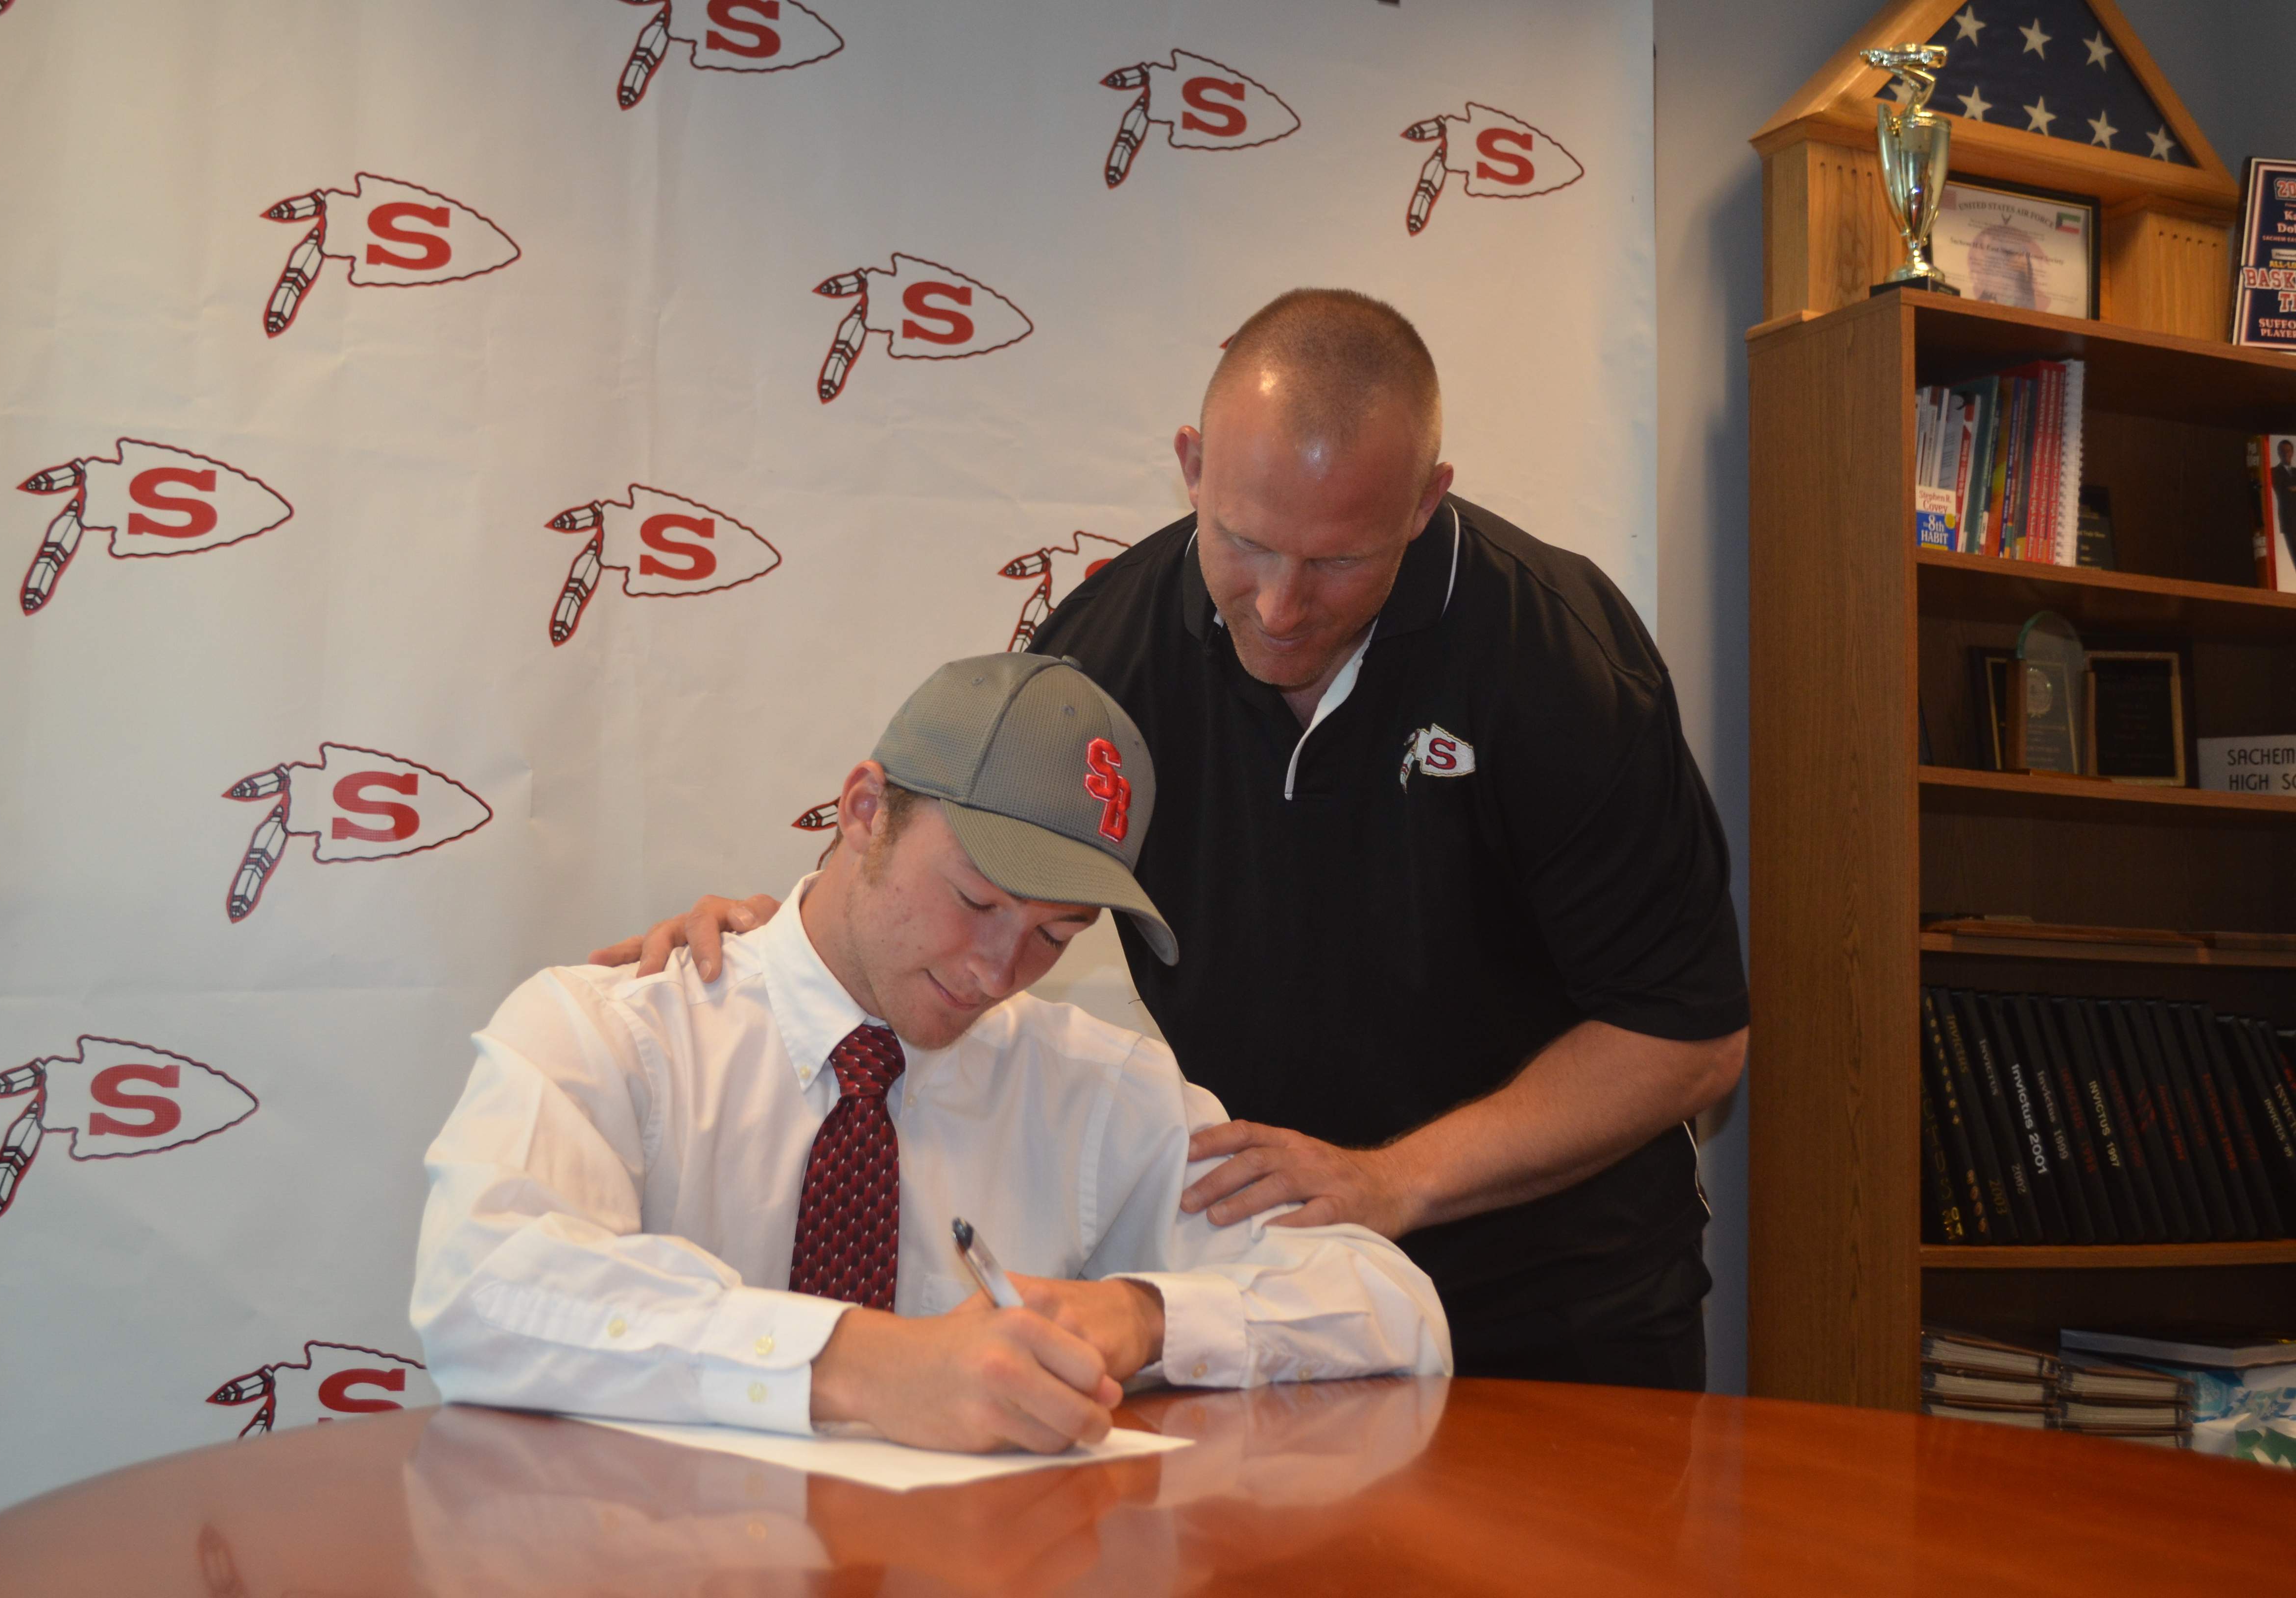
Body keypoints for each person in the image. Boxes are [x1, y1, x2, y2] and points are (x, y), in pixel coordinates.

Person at [604, 289, 1748, 1389]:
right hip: (1271, 1288)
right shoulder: (1108, 651)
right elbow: (954, 851)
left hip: (1562, 1297)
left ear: (1424, 501)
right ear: (1192, 466)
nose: (1282, 607)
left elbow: (1689, 1040)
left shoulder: (1555, 659)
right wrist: (796, 942)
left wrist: (1394, 1180)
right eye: (1245, 542)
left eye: (1338, 561)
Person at [414, 653, 1448, 1454]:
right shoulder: (613, 1031)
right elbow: (482, 1288)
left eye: (1057, 934)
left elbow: (1394, 1312)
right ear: (865, 812)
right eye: (977, 900)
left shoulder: (1102, 1089)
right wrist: (862, 1366)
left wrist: (1147, 1317)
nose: (1000, 970)